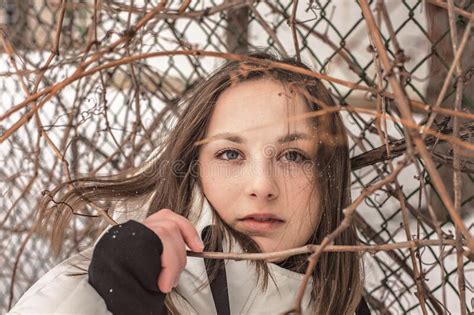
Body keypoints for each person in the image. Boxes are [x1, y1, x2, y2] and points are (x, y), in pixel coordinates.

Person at [8, 52, 370, 314]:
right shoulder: (110, 282)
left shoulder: (342, 303)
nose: (262, 186)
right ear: (193, 168)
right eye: (230, 154)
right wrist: (107, 301)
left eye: (293, 156)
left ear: (329, 179)